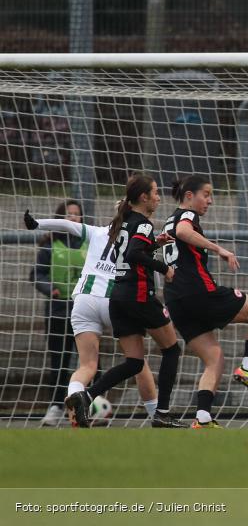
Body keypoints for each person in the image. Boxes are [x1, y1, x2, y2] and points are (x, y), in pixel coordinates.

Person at [63, 174, 185, 428]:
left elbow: (132, 250)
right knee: (172, 349)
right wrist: (164, 268)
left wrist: (153, 244)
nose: (159, 197)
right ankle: (161, 412)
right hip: (139, 296)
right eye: (155, 192)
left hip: (118, 296)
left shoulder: (124, 222)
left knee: (134, 362)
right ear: (143, 197)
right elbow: (133, 254)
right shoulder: (143, 224)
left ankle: (86, 395)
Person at [24, 209, 161, 426]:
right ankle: (156, 414)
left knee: (87, 365)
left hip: (83, 302)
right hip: (113, 302)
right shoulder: (137, 238)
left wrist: (37, 223)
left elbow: (68, 226)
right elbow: (148, 275)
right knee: (138, 362)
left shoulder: (96, 232)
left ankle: (74, 417)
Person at [163, 175, 248, 429]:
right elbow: (183, 231)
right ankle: (247, 367)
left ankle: (202, 417)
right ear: (189, 196)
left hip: (176, 302)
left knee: (214, 358)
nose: (210, 200)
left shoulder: (167, 221)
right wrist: (219, 249)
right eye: (206, 194)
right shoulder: (186, 216)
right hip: (199, 293)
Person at [29, 200, 86, 426]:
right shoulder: (50, 246)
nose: (73, 218)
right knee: (59, 361)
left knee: (91, 361)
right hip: (58, 311)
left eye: (77, 214)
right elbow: (37, 274)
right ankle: (55, 406)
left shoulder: (88, 244)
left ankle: (92, 403)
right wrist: (48, 288)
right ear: (61, 218)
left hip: (84, 311)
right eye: (69, 214)